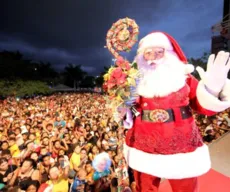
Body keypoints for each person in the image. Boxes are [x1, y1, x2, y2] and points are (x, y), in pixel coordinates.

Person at [123, 31, 230, 192]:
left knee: (185, 188)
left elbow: (205, 107)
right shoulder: (135, 83)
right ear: (141, 57)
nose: (152, 58)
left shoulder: (184, 78)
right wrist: (123, 110)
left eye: (159, 52)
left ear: (170, 54)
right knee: (144, 188)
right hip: (143, 146)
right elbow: (130, 109)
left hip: (181, 146)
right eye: (148, 53)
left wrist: (212, 89)